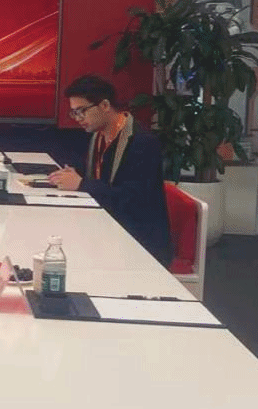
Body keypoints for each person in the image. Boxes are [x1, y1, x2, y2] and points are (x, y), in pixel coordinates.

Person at [48, 75, 173, 266]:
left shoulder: (141, 143)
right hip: (106, 228)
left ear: (105, 105)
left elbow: (132, 200)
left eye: (82, 111)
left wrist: (81, 184)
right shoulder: (99, 137)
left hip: (138, 243)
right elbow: (100, 178)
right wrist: (73, 176)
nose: (78, 119)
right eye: (74, 113)